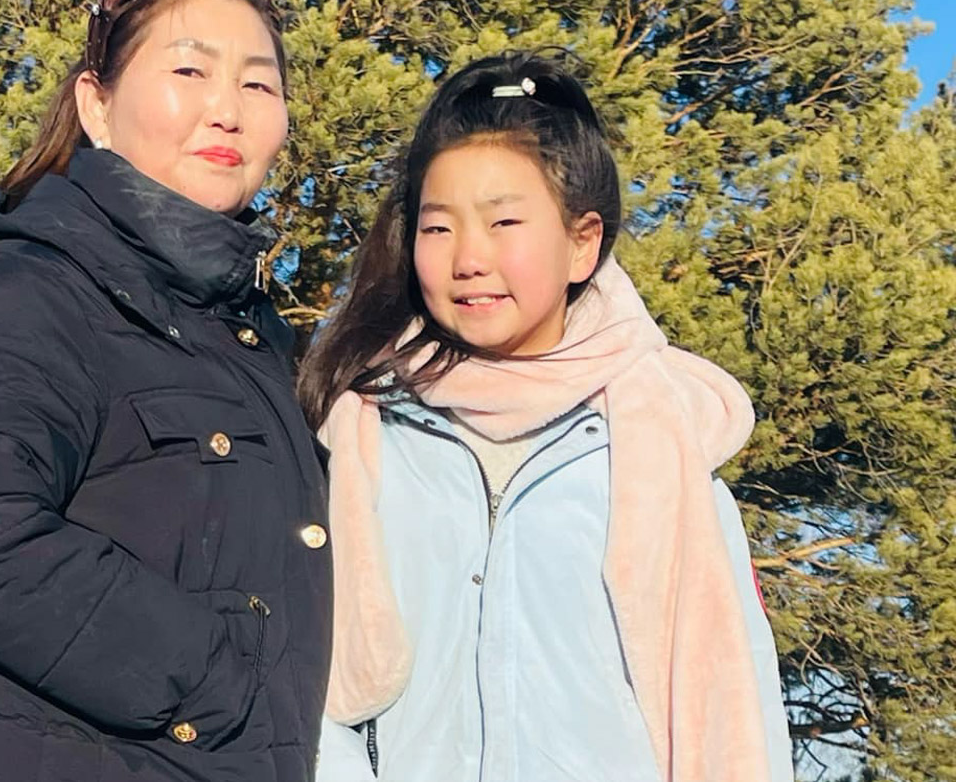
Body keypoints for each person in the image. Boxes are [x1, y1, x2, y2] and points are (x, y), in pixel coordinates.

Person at [0, 0, 332, 782]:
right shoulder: (28, 280)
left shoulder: (248, 335)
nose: (226, 111)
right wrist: (214, 682)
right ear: (96, 104)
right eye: (190, 70)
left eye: (259, 86)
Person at [299, 52, 791, 782]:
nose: (469, 257)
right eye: (439, 229)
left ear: (582, 243)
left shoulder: (655, 450)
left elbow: (737, 709)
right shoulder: (363, 434)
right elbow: (310, 691)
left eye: (504, 221)